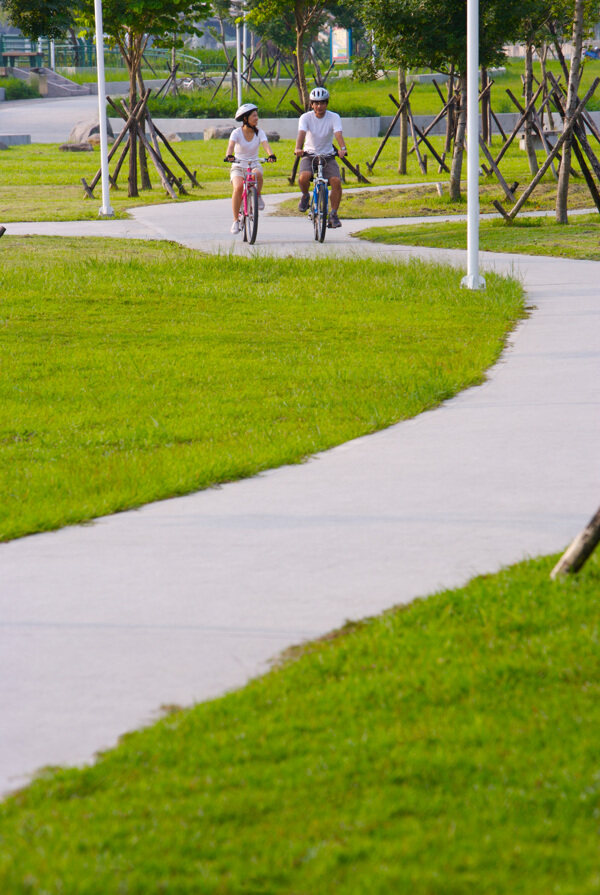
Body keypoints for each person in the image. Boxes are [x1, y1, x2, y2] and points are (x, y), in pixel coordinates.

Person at [294, 86, 347, 229]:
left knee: (336, 181)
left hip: (328, 156)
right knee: (303, 177)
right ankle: (305, 196)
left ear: (327, 104)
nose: (319, 106)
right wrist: (298, 148)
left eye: (322, 103)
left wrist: (342, 149)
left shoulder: (334, 117)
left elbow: (338, 133)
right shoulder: (305, 117)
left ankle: (334, 214)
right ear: (311, 105)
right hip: (309, 155)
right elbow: (302, 133)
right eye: (316, 103)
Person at [225, 103, 276, 235]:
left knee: (257, 174)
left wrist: (270, 154)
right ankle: (236, 220)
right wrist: (229, 155)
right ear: (245, 118)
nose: (257, 118)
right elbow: (231, 146)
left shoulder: (260, 133)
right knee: (238, 188)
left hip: (254, 164)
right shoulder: (236, 133)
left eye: (256, 115)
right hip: (238, 165)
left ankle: (257, 195)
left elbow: (266, 145)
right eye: (254, 116)